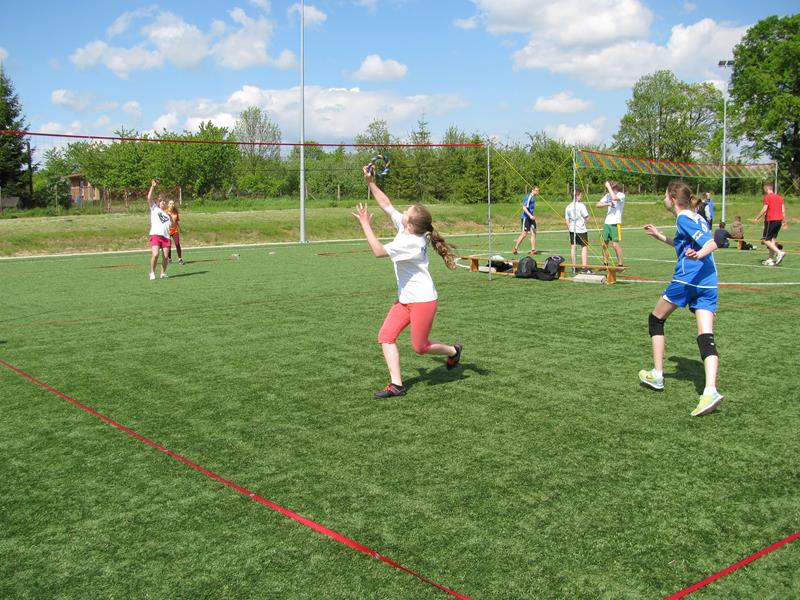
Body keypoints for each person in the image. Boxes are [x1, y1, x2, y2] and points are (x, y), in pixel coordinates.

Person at [353, 165, 463, 399]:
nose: (402, 211)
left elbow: (378, 251)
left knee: (420, 347)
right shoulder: (408, 229)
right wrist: (371, 182)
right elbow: (386, 204)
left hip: (423, 300)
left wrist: (365, 224)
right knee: (386, 336)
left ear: (410, 225)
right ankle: (397, 385)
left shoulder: (410, 242)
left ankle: (454, 351)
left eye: (407, 212)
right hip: (405, 299)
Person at [638, 181, 723, 417]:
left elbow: (711, 243)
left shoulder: (683, 218)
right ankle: (710, 391)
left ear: (673, 199)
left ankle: (657, 374)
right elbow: (684, 242)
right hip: (709, 282)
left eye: (665, 195)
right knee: (706, 336)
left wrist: (699, 254)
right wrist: (660, 236)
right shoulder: (695, 217)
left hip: (687, 280)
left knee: (656, 319)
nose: (663, 199)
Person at [752, 183, 787, 266]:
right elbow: (783, 211)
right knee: (772, 240)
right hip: (779, 221)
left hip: (770, 220)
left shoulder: (767, 197)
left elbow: (765, 209)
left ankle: (779, 252)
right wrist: (784, 222)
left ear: (766, 189)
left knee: (765, 239)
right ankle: (770, 259)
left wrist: (757, 218)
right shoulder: (780, 197)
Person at [596, 180, 626, 270]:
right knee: (604, 244)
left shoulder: (621, 195)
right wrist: (607, 203)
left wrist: (609, 187)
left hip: (615, 223)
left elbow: (614, 198)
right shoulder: (608, 195)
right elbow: (597, 205)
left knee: (615, 244)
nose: (609, 190)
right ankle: (605, 264)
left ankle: (620, 265)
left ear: (615, 188)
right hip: (607, 222)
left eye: (611, 188)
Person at [147, 178, 172, 280]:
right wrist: (152, 186)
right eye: (161, 201)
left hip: (166, 237)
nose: (163, 203)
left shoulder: (167, 215)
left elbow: (170, 225)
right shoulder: (154, 208)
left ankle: (163, 273)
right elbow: (149, 198)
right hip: (156, 235)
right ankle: (152, 272)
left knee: (165, 257)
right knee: (156, 254)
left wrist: (171, 216)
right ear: (158, 202)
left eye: (164, 201)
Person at [565, 190, 590, 273]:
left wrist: (570, 227)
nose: (581, 197)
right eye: (580, 195)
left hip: (572, 229)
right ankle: (584, 267)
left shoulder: (568, 207)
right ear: (577, 196)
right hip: (581, 229)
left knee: (573, 247)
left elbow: (567, 220)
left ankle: (574, 267)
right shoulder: (581, 205)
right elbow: (586, 217)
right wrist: (588, 218)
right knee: (584, 247)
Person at [512, 186, 538, 255]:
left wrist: (532, 216)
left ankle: (533, 249)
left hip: (531, 218)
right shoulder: (529, 197)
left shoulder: (533, 198)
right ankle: (515, 248)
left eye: (538, 191)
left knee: (534, 232)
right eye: (536, 190)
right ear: (532, 190)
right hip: (526, 218)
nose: (537, 192)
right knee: (524, 234)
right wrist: (530, 215)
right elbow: (524, 208)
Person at [166, 199, 184, 265]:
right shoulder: (165, 212)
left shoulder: (175, 212)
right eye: (170, 203)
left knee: (177, 244)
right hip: (167, 231)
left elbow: (176, 222)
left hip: (175, 230)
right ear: (168, 205)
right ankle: (169, 259)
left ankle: (180, 259)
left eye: (173, 203)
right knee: (168, 245)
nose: (172, 205)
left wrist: (180, 229)